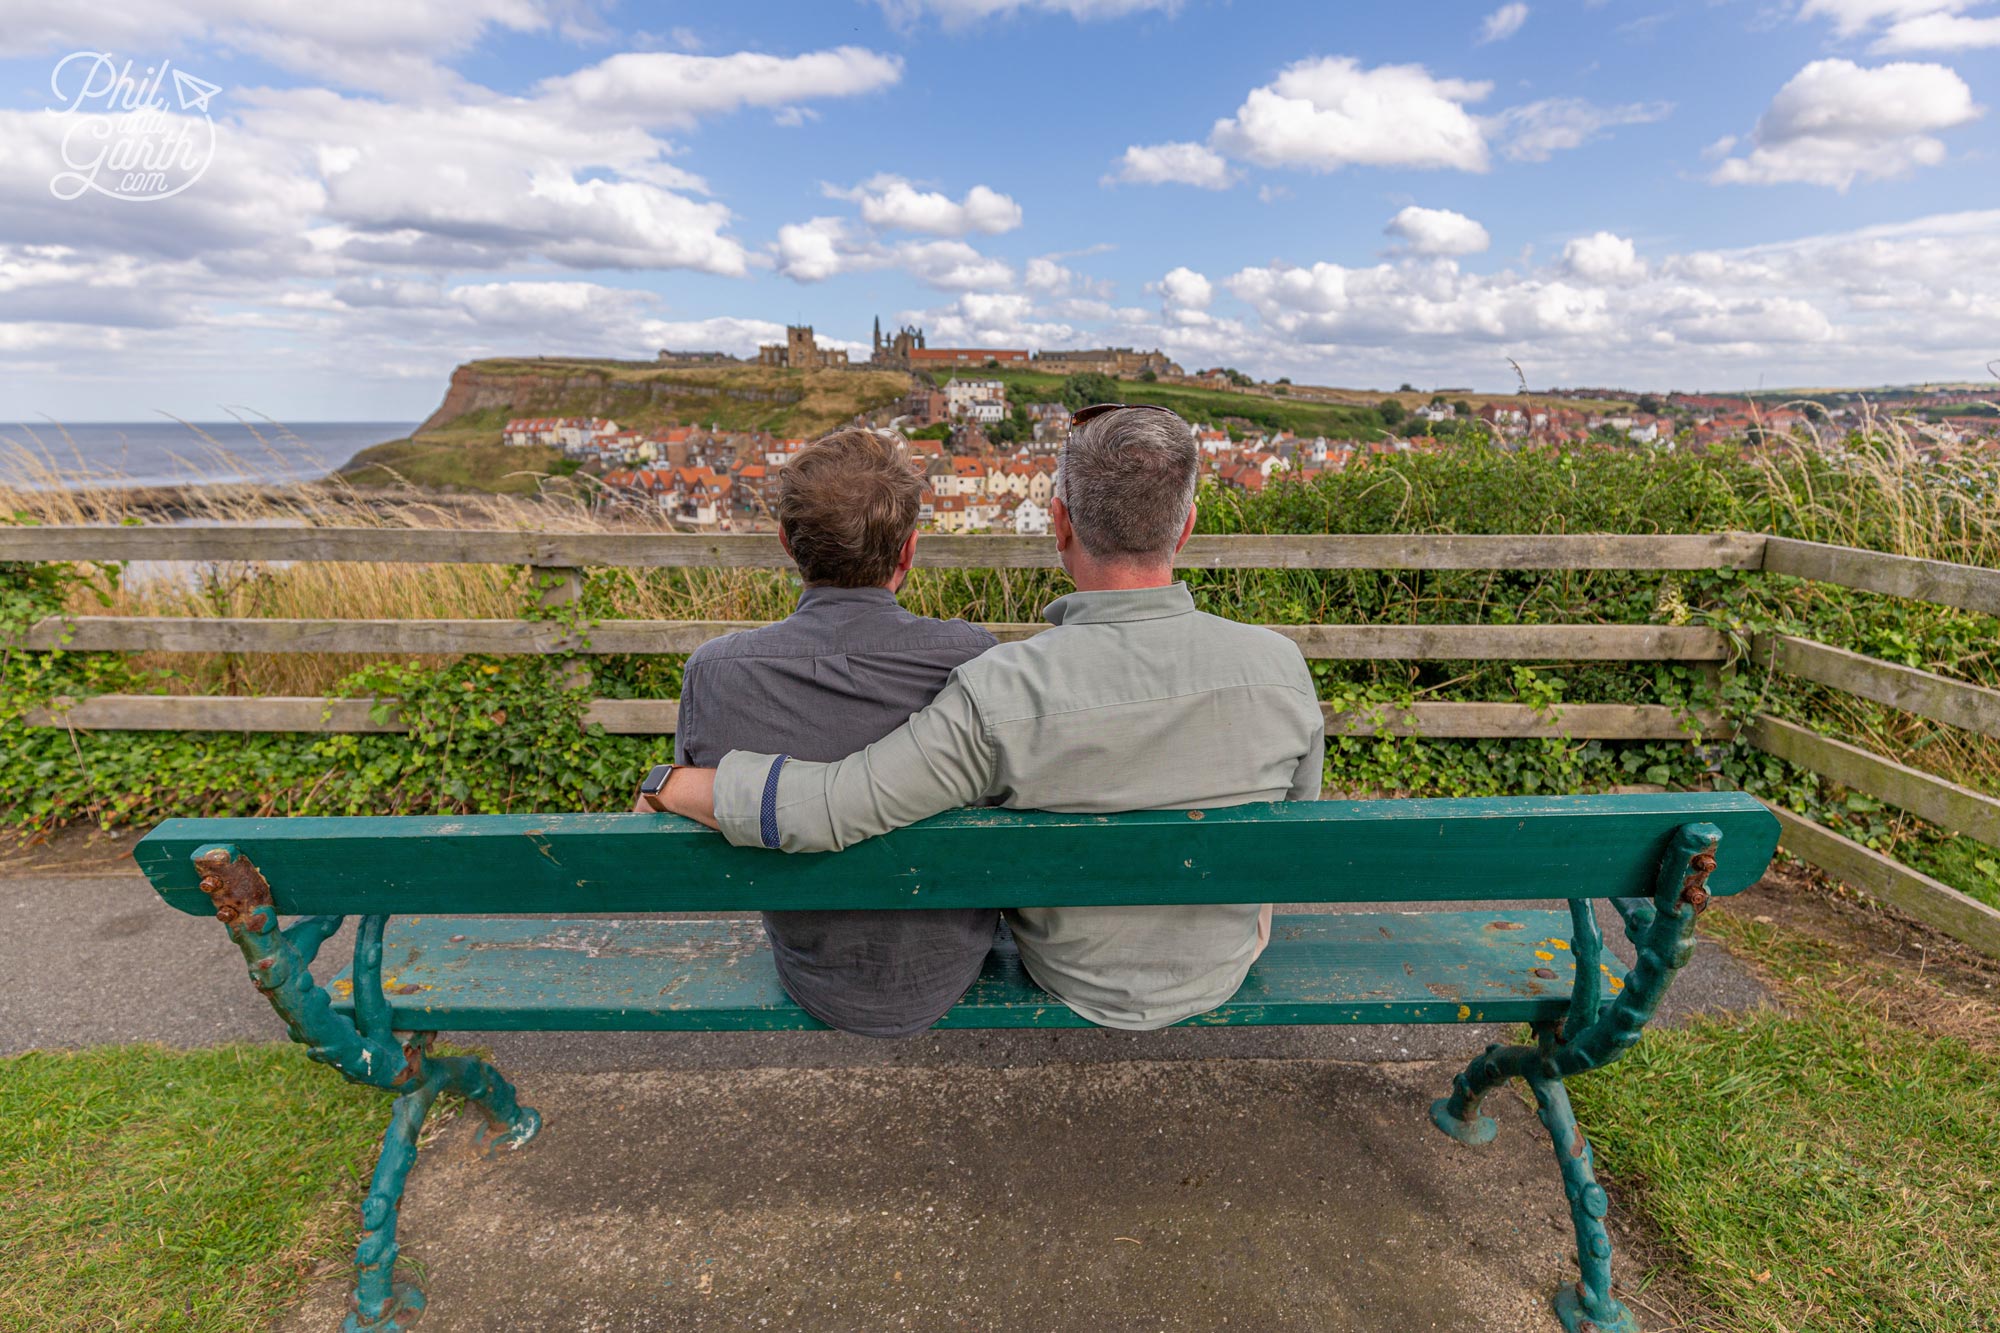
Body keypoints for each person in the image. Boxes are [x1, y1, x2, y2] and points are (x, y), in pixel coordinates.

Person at [648, 405, 1325, 1031]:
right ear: (1186, 525)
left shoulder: (1005, 689)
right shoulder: (1280, 666)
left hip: (1069, 970)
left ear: (1059, 524)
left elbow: (833, 804)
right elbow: (1293, 827)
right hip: (1220, 966)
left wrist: (667, 783)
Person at [638, 426, 997, 1038]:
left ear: (786, 543)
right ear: (909, 551)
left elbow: (691, 810)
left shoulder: (716, 672)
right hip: (950, 960)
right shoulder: (970, 658)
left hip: (813, 967)